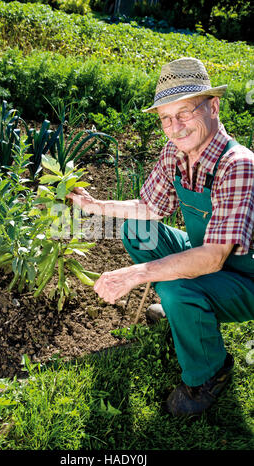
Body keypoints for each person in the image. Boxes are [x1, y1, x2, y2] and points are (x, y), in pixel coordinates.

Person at [66, 57, 254, 417]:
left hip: (245, 276)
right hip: (207, 254)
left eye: (183, 113)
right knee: (138, 232)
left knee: (175, 286)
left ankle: (208, 374)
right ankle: (184, 314)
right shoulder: (176, 152)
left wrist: (136, 274)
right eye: (166, 118)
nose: (174, 127)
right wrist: (95, 204)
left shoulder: (238, 165)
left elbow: (213, 258)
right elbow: (149, 208)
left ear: (213, 106)